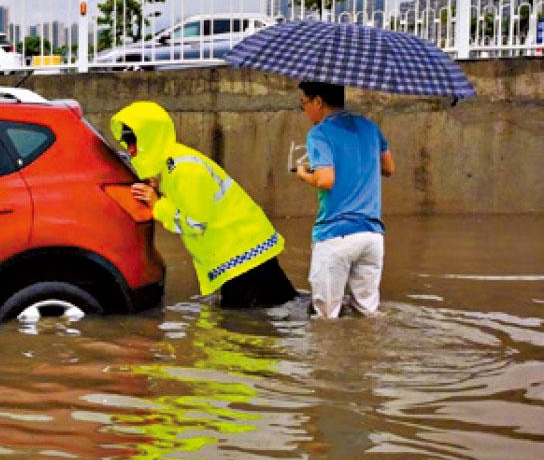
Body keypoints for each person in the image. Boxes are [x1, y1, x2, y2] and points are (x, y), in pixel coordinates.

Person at [112, 101, 297, 309]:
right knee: (274, 313)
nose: (132, 150)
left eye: (135, 141)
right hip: (242, 255)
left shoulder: (184, 170)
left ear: (151, 138)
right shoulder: (172, 165)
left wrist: (157, 206)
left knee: (245, 331)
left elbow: (194, 223)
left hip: (242, 259)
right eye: (127, 143)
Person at [293, 81, 395, 318]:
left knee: (325, 320)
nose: (305, 110)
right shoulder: (369, 127)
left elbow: (326, 180)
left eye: (304, 103)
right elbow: (389, 168)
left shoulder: (319, 133)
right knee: (368, 315)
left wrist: (304, 175)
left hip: (335, 235)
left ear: (318, 101)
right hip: (372, 235)